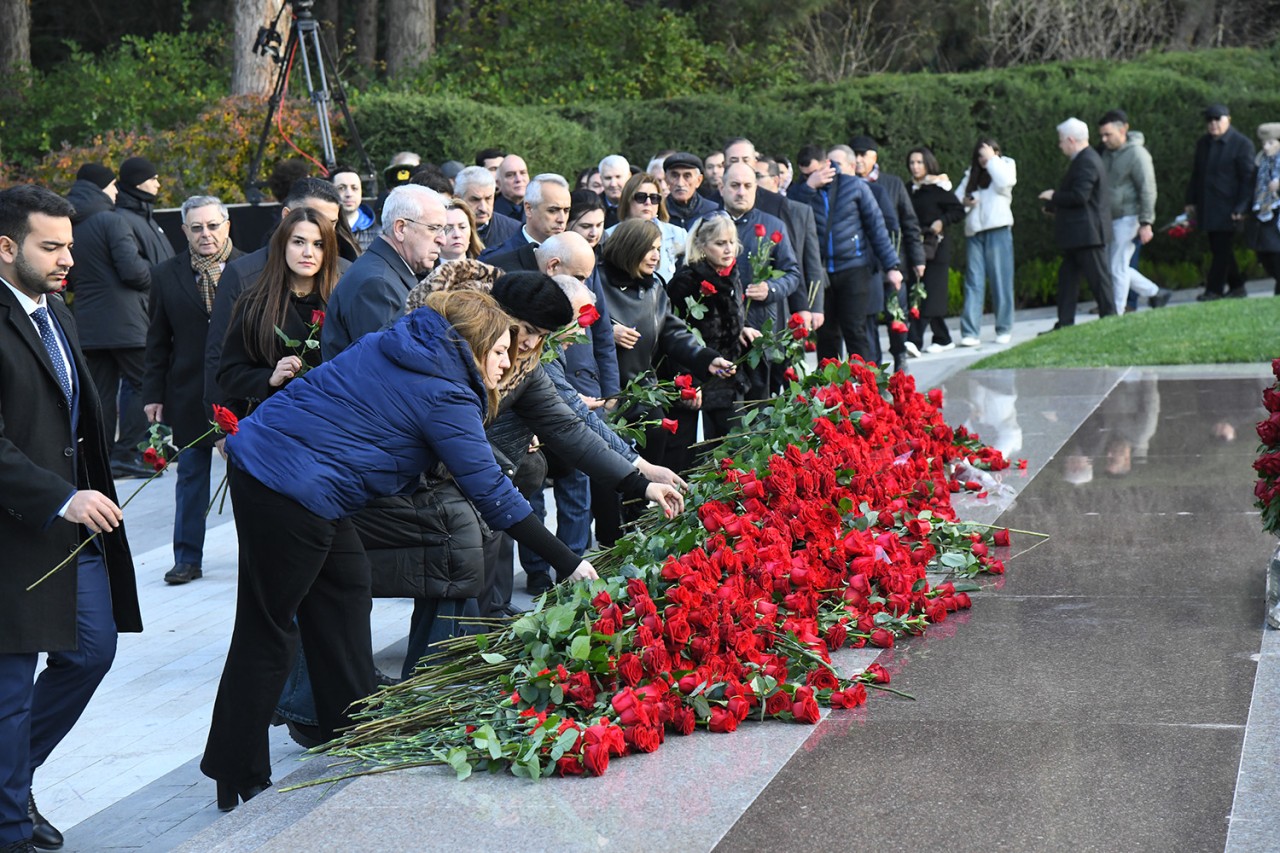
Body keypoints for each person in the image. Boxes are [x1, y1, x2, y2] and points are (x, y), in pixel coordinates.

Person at [201, 288, 667, 808]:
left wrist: (633, 479)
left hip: (306, 481)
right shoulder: (447, 392)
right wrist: (568, 560)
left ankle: (349, 726)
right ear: (478, 342)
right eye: (501, 353)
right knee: (269, 625)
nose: (509, 364)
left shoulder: (414, 345)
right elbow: (492, 492)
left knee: (346, 590)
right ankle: (236, 767)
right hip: (282, 485)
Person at [0, 185, 142, 853]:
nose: (67, 261)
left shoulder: (57, 312)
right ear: (6, 247)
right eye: (50, 247)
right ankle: (8, 822)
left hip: (70, 531)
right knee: (10, 686)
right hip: (14, 531)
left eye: (69, 247)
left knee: (92, 649)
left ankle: (11, 779)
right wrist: (60, 495)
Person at [142, 195, 242, 585]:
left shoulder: (253, 267)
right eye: (196, 227)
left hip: (240, 391)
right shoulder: (166, 275)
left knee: (250, 480)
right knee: (191, 480)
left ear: (227, 225)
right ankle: (187, 558)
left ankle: (256, 555)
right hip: (186, 392)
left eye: (213, 226)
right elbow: (157, 341)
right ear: (184, 230)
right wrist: (153, 394)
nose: (206, 234)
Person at [599, 218, 737, 461]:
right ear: (629, 247)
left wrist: (707, 358)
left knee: (654, 442)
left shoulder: (654, 288)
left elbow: (672, 332)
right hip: (605, 392)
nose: (656, 257)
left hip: (642, 391)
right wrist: (608, 330)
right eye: (649, 249)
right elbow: (577, 324)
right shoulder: (597, 282)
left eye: (659, 249)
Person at [204, 178, 345, 413]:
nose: (308, 253)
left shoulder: (342, 299)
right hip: (275, 424)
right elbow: (228, 372)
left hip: (333, 424)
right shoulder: (255, 302)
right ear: (283, 245)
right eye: (299, 242)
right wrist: (270, 378)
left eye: (319, 244)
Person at [63, 162, 156, 479]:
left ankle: (102, 456)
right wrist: (150, 268)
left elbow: (69, 278)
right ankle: (126, 453)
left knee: (100, 393)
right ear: (103, 188)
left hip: (87, 324)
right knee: (147, 384)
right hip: (126, 323)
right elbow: (134, 272)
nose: (117, 192)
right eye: (114, 186)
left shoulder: (70, 223)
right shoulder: (111, 221)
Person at [789, 144, 902, 362]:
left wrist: (892, 266)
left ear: (826, 165)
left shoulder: (854, 186)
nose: (810, 177)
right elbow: (791, 213)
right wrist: (808, 188)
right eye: (805, 175)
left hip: (853, 267)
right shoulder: (800, 191)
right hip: (820, 273)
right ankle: (831, 391)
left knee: (855, 331)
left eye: (814, 172)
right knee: (827, 335)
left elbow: (876, 227)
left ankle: (866, 388)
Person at [665, 214, 756, 471]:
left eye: (731, 242)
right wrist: (688, 381)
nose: (728, 249)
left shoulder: (731, 274)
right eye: (719, 243)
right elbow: (674, 336)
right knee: (695, 461)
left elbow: (729, 318)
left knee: (733, 455)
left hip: (729, 378)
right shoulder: (686, 281)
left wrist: (741, 329)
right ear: (702, 245)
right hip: (699, 379)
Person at [322, 185, 447, 359]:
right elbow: (386, 364)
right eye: (433, 228)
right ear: (401, 228)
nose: (443, 239)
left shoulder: (387, 272)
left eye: (443, 230)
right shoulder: (376, 284)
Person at [718, 163, 801, 399]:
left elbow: (792, 273)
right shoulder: (708, 225)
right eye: (734, 186)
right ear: (721, 187)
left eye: (747, 186)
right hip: (720, 333)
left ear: (756, 189)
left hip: (760, 330)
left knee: (760, 406)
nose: (741, 192)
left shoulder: (773, 226)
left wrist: (770, 288)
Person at [851, 136, 925, 373]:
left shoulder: (892, 184)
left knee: (897, 315)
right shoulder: (847, 186)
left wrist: (918, 258)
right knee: (868, 320)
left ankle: (900, 357)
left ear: (875, 156)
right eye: (855, 154)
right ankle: (875, 370)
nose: (859, 159)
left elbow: (909, 223)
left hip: (893, 262)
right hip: (864, 266)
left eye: (863, 154)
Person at [1039, 117, 1115, 329]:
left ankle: (1110, 319)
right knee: (1067, 281)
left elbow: (1080, 196)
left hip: (1088, 234)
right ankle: (1064, 323)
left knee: (1099, 281)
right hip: (1079, 234)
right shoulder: (1085, 160)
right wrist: (1055, 207)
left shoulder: (1087, 161)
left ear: (1071, 140)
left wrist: (1054, 196)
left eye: (1061, 140)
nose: (1060, 145)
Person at [1097, 110, 1171, 312]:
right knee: (1116, 266)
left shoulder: (1137, 154)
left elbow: (1148, 188)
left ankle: (1116, 313)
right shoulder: (1107, 153)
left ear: (1123, 130)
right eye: (1101, 135)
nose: (1104, 140)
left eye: (1108, 135)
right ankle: (1155, 293)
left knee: (1117, 267)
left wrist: (1146, 222)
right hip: (1110, 218)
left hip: (1129, 218)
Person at [1187, 103, 1257, 301]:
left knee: (1221, 249)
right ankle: (1237, 286)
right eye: (1209, 120)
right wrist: (1190, 200)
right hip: (1209, 206)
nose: (1213, 124)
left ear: (1228, 119)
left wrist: (1242, 207)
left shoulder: (1242, 144)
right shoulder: (1203, 143)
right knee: (1219, 248)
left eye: (1217, 119)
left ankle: (1214, 289)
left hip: (1229, 208)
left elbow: (1247, 179)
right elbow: (1197, 174)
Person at [956, 138, 1017, 346]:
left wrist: (992, 160)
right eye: (980, 155)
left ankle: (1004, 327)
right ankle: (970, 332)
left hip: (998, 230)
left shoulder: (1005, 165)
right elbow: (957, 200)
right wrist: (966, 203)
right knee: (973, 282)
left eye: (987, 154)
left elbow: (1005, 182)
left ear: (995, 152)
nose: (983, 159)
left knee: (1001, 280)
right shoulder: (971, 174)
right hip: (974, 232)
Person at [904, 147, 966, 354]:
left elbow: (958, 210)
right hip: (914, 248)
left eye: (919, 162)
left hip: (936, 248)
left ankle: (914, 339)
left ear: (928, 163)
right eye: (912, 163)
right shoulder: (907, 190)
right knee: (921, 291)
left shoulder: (938, 188)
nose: (915, 166)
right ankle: (943, 337)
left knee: (929, 293)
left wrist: (942, 220)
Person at [606, 173, 688, 283]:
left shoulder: (678, 234)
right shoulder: (609, 235)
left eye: (654, 198)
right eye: (641, 197)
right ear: (627, 200)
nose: (648, 203)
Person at [481, 173, 572, 260]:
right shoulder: (496, 258)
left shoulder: (575, 257)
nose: (562, 219)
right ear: (528, 209)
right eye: (552, 211)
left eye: (566, 211)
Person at [454, 165, 520, 250]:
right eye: (475, 200)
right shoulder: (443, 231)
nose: (483, 208)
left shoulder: (514, 231)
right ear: (457, 199)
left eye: (488, 198)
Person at [1252, 122, 1280, 294]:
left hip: (1277, 210)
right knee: (1265, 253)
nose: (1266, 147)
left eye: (1270, 143)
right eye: (1263, 143)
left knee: (1275, 252)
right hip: (1264, 209)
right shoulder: (1260, 160)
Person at [663, 152, 718, 230]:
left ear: (699, 180)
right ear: (666, 180)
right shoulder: (658, 211)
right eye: (674, 176)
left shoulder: (713, 212)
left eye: (687, 176)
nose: (680, 183)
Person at [331, 166, 378, 252]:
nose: (349, 194)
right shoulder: (322, 229)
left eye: (354, 188)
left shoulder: (379, 234)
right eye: (341, 188)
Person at [438, 198, 484, 263]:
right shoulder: (422, 270)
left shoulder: (486, 267)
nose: (457, 235)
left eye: (462, 227)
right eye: (448, 228)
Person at [494, 154, 530, 223]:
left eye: (523, 173)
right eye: (510, 175)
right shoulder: (491, 215)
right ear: (498, 183)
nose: (519, 179)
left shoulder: (538, 210)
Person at [598, 154, 630, 227]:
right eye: (608, 178)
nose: (613, 184)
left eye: (618, 177)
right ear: (601, 179)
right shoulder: (592, 206)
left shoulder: (639, 205)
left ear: (629, 176)